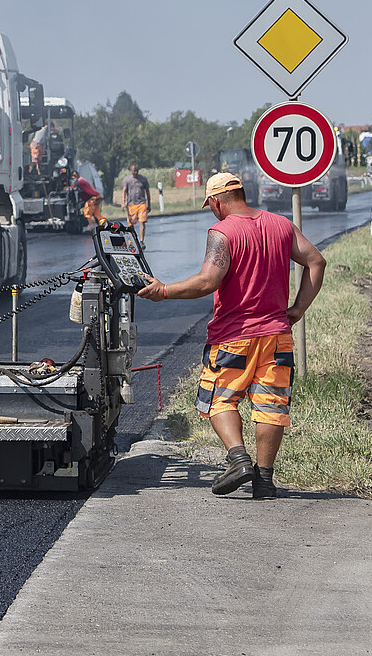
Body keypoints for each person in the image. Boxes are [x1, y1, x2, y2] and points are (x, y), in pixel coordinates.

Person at [136, 172, 326, 500]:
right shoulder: (281, 225)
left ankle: (238, 459)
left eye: (210, 204)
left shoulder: (222, 232)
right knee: (270, 406)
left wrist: (163, 291)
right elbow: (316, 262)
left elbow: (208, 281)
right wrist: (297, 310)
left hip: (233, 336)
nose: (211, 210)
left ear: (216, 201)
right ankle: (264, 481)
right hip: (277, 336)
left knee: (219, 399)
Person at [121, 162, 152, 244]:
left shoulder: (143, 179)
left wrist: (149, 204)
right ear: (131, 171)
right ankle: (135, 240)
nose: (135, 172)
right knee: (131, 224)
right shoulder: (127, 180)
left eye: (136, 171)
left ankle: (141, 241)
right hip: (131, 204)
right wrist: (123, 203)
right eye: (133, 171)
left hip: (141, 203)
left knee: (142, 221)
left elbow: (147, 192)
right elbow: (124, 191)